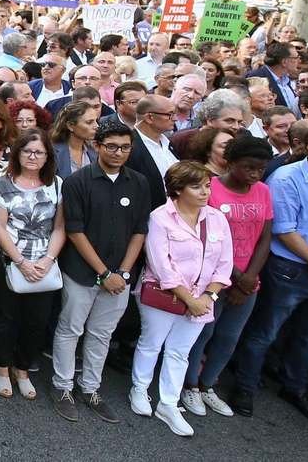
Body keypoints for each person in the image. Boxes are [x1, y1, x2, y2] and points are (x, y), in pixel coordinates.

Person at [226, 121, 308, 424]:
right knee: (264, 333)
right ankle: (245, 385)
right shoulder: (286, 178)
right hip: (291, 271)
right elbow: (284, 229)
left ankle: (295, 387)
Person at [51, 120, 151, 424]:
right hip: (82, 272)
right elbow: (75, 231)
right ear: (97, 146)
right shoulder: (77, 182)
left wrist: (121, 271)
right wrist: (104, 273)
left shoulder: (139, 182)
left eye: (124, 147)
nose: (118, 152)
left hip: (119, 276)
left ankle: (91, 388)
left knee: (101, 334)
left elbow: (139, 230)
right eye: (111, 146)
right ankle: (62, 387)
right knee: (70, 330)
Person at [129, 161, 233, 437]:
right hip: (165, 294)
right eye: (196, 186)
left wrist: (209, 296)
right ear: (177, 189)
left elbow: (225, 264)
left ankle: (169, 403)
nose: (204, 192)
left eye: (207, 186)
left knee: (180, 351)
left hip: (203, 298)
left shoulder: (217, 218)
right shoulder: (160, 217)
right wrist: (190, 299)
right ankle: (139, 389)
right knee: (151, 343)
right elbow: (162, 267)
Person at [182, 133, 274, 417]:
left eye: (260, 169)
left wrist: (248, 279)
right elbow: (204, 238)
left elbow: (264, 238)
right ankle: (190, 385)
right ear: (230, 161)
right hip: (213, 276)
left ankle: (208, 384)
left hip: (247, 280)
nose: (255, 174)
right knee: (203, 331)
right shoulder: (209, 189)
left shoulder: (263, 191)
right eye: (248, 167)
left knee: (229, 336)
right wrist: (233, 276)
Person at [0, 129, 66, 401]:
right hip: (8, 260)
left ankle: (22, 369)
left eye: (39, 152)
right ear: (17, 153)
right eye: (27, 151)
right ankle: (1, 367)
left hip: (44, 262)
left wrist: (48, 259)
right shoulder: (2, 182)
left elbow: (59, 227)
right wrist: (20, 261)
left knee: (37, 321)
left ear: (48, 157)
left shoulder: (56, 184)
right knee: (3, 318)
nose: (33, 156)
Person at [49, 100, 99, 180]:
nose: (96, 126)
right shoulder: (52, 152)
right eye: (89, 122)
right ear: (70, 125)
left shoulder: (95, 150)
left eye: (96, 121)